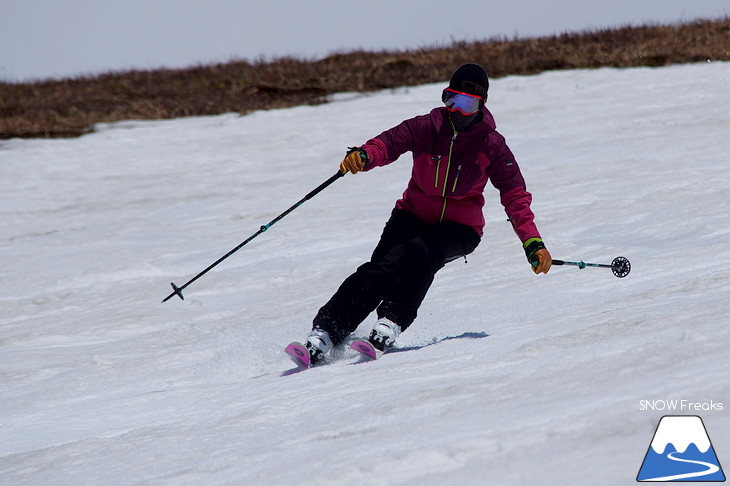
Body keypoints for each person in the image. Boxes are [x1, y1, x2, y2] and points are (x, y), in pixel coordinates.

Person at [302, 63, 551, 363]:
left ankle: (391, 321)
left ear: (481, 105)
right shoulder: (426, 127)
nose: (457, 111)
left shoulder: (492, 145)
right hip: (411, 214)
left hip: (461, 227)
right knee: (381, 269)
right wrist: (365, 156)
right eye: (452, 100)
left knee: (421, 253)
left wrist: (532, 242)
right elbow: (389, 143)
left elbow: (514, 196)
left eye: (467, 104)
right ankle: (327, 331)